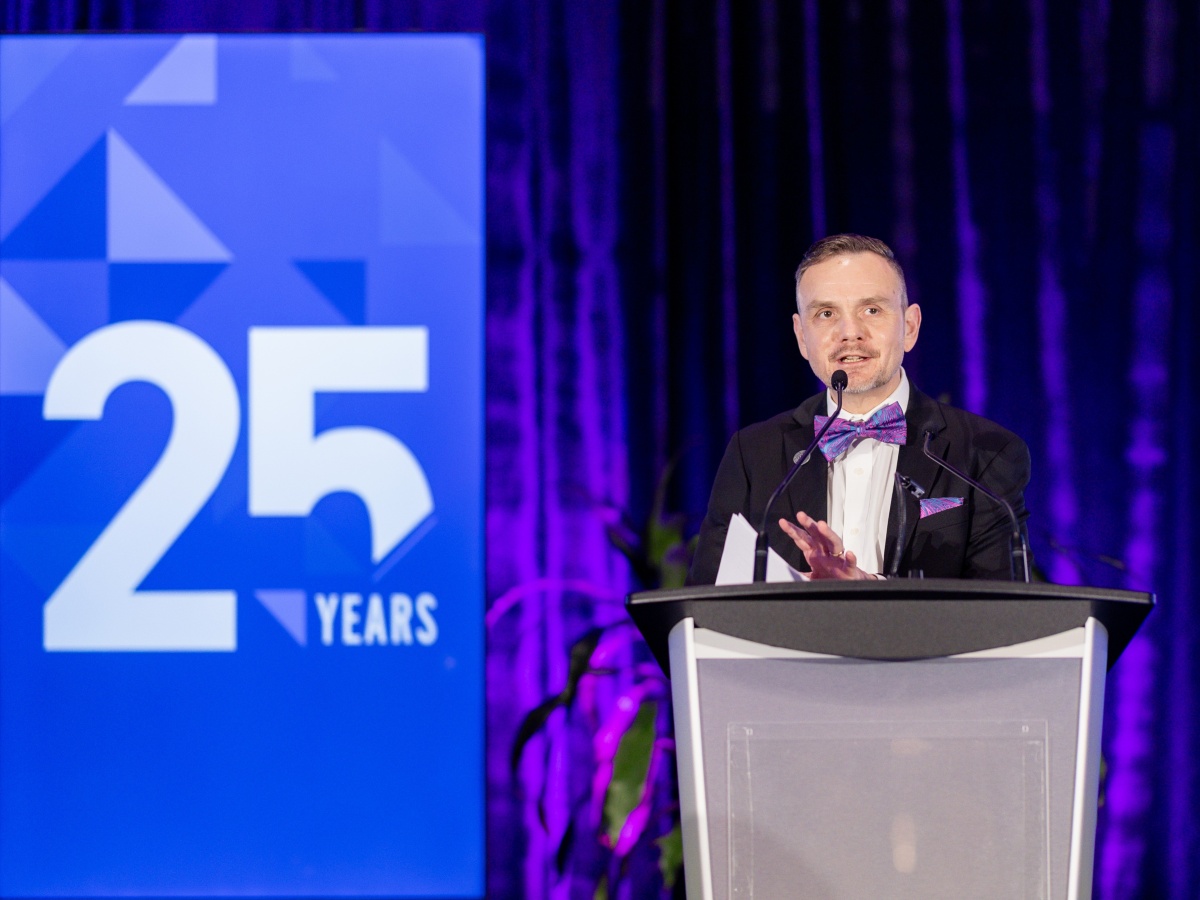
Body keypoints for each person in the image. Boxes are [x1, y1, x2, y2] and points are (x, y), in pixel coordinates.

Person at [688, 234, 1030, 584]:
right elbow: (703, 605)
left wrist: (873, 589)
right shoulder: (753, 453)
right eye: (825, 313)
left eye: (871, 310)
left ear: (909, 327)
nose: (850, 333)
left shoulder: (984, 451)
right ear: (802, 337)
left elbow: (1003, 608)